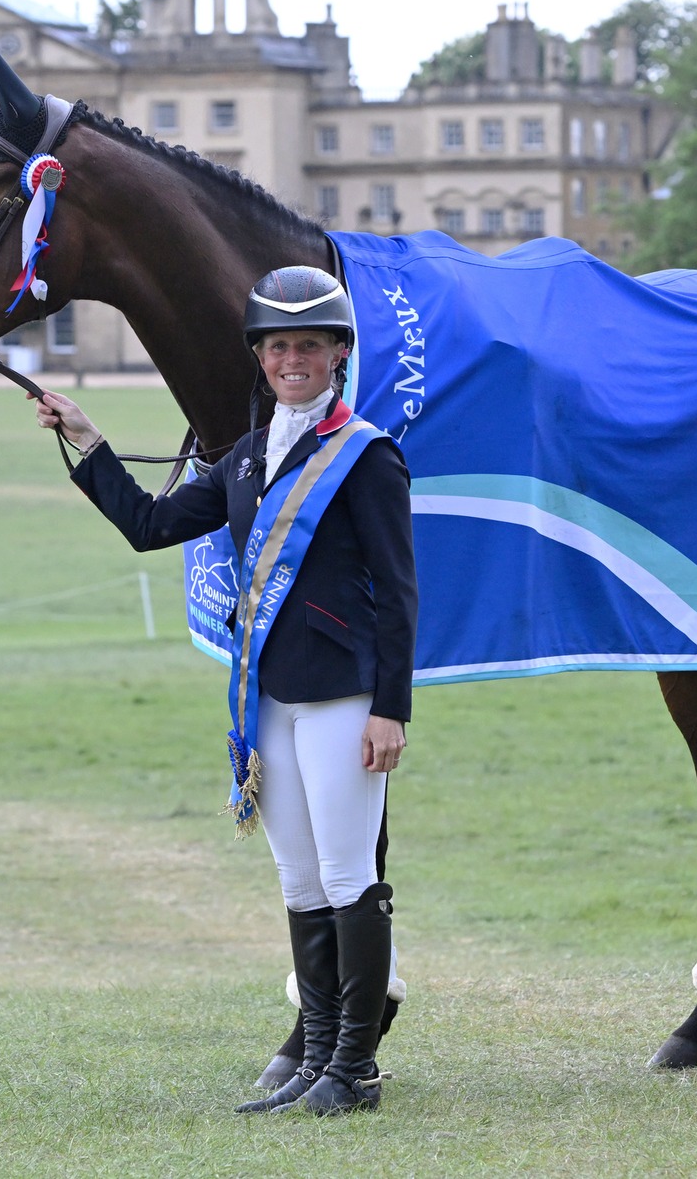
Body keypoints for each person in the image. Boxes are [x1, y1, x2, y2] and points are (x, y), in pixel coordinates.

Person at [29, 265, 416, 1117]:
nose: (293, 360)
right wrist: (88, 441)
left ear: (339, 354)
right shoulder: (242, 461)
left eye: (309, 345)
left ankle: (355, 1068)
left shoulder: (368, 455)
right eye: (278, 346)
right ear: (259, 356)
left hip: (346, 695)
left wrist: (393, 707)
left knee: (351, 874)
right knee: (299, 880)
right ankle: (317, 1055)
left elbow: (399, 590)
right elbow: (151, 525)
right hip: (269, 701)